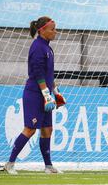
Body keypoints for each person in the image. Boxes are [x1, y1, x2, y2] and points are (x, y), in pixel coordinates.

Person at [4, 16, 66, 175]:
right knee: (30, 129)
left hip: (45, 93)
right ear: (42, 30)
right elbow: (38, 73)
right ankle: (10, 163)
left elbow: (48, 74)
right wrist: (46, 94)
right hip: (35, 94)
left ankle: (48, 166)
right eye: (52, 29)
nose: (55, 32)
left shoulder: (47, 47)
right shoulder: (38, 47)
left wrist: (55, 91)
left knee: (47, 129)